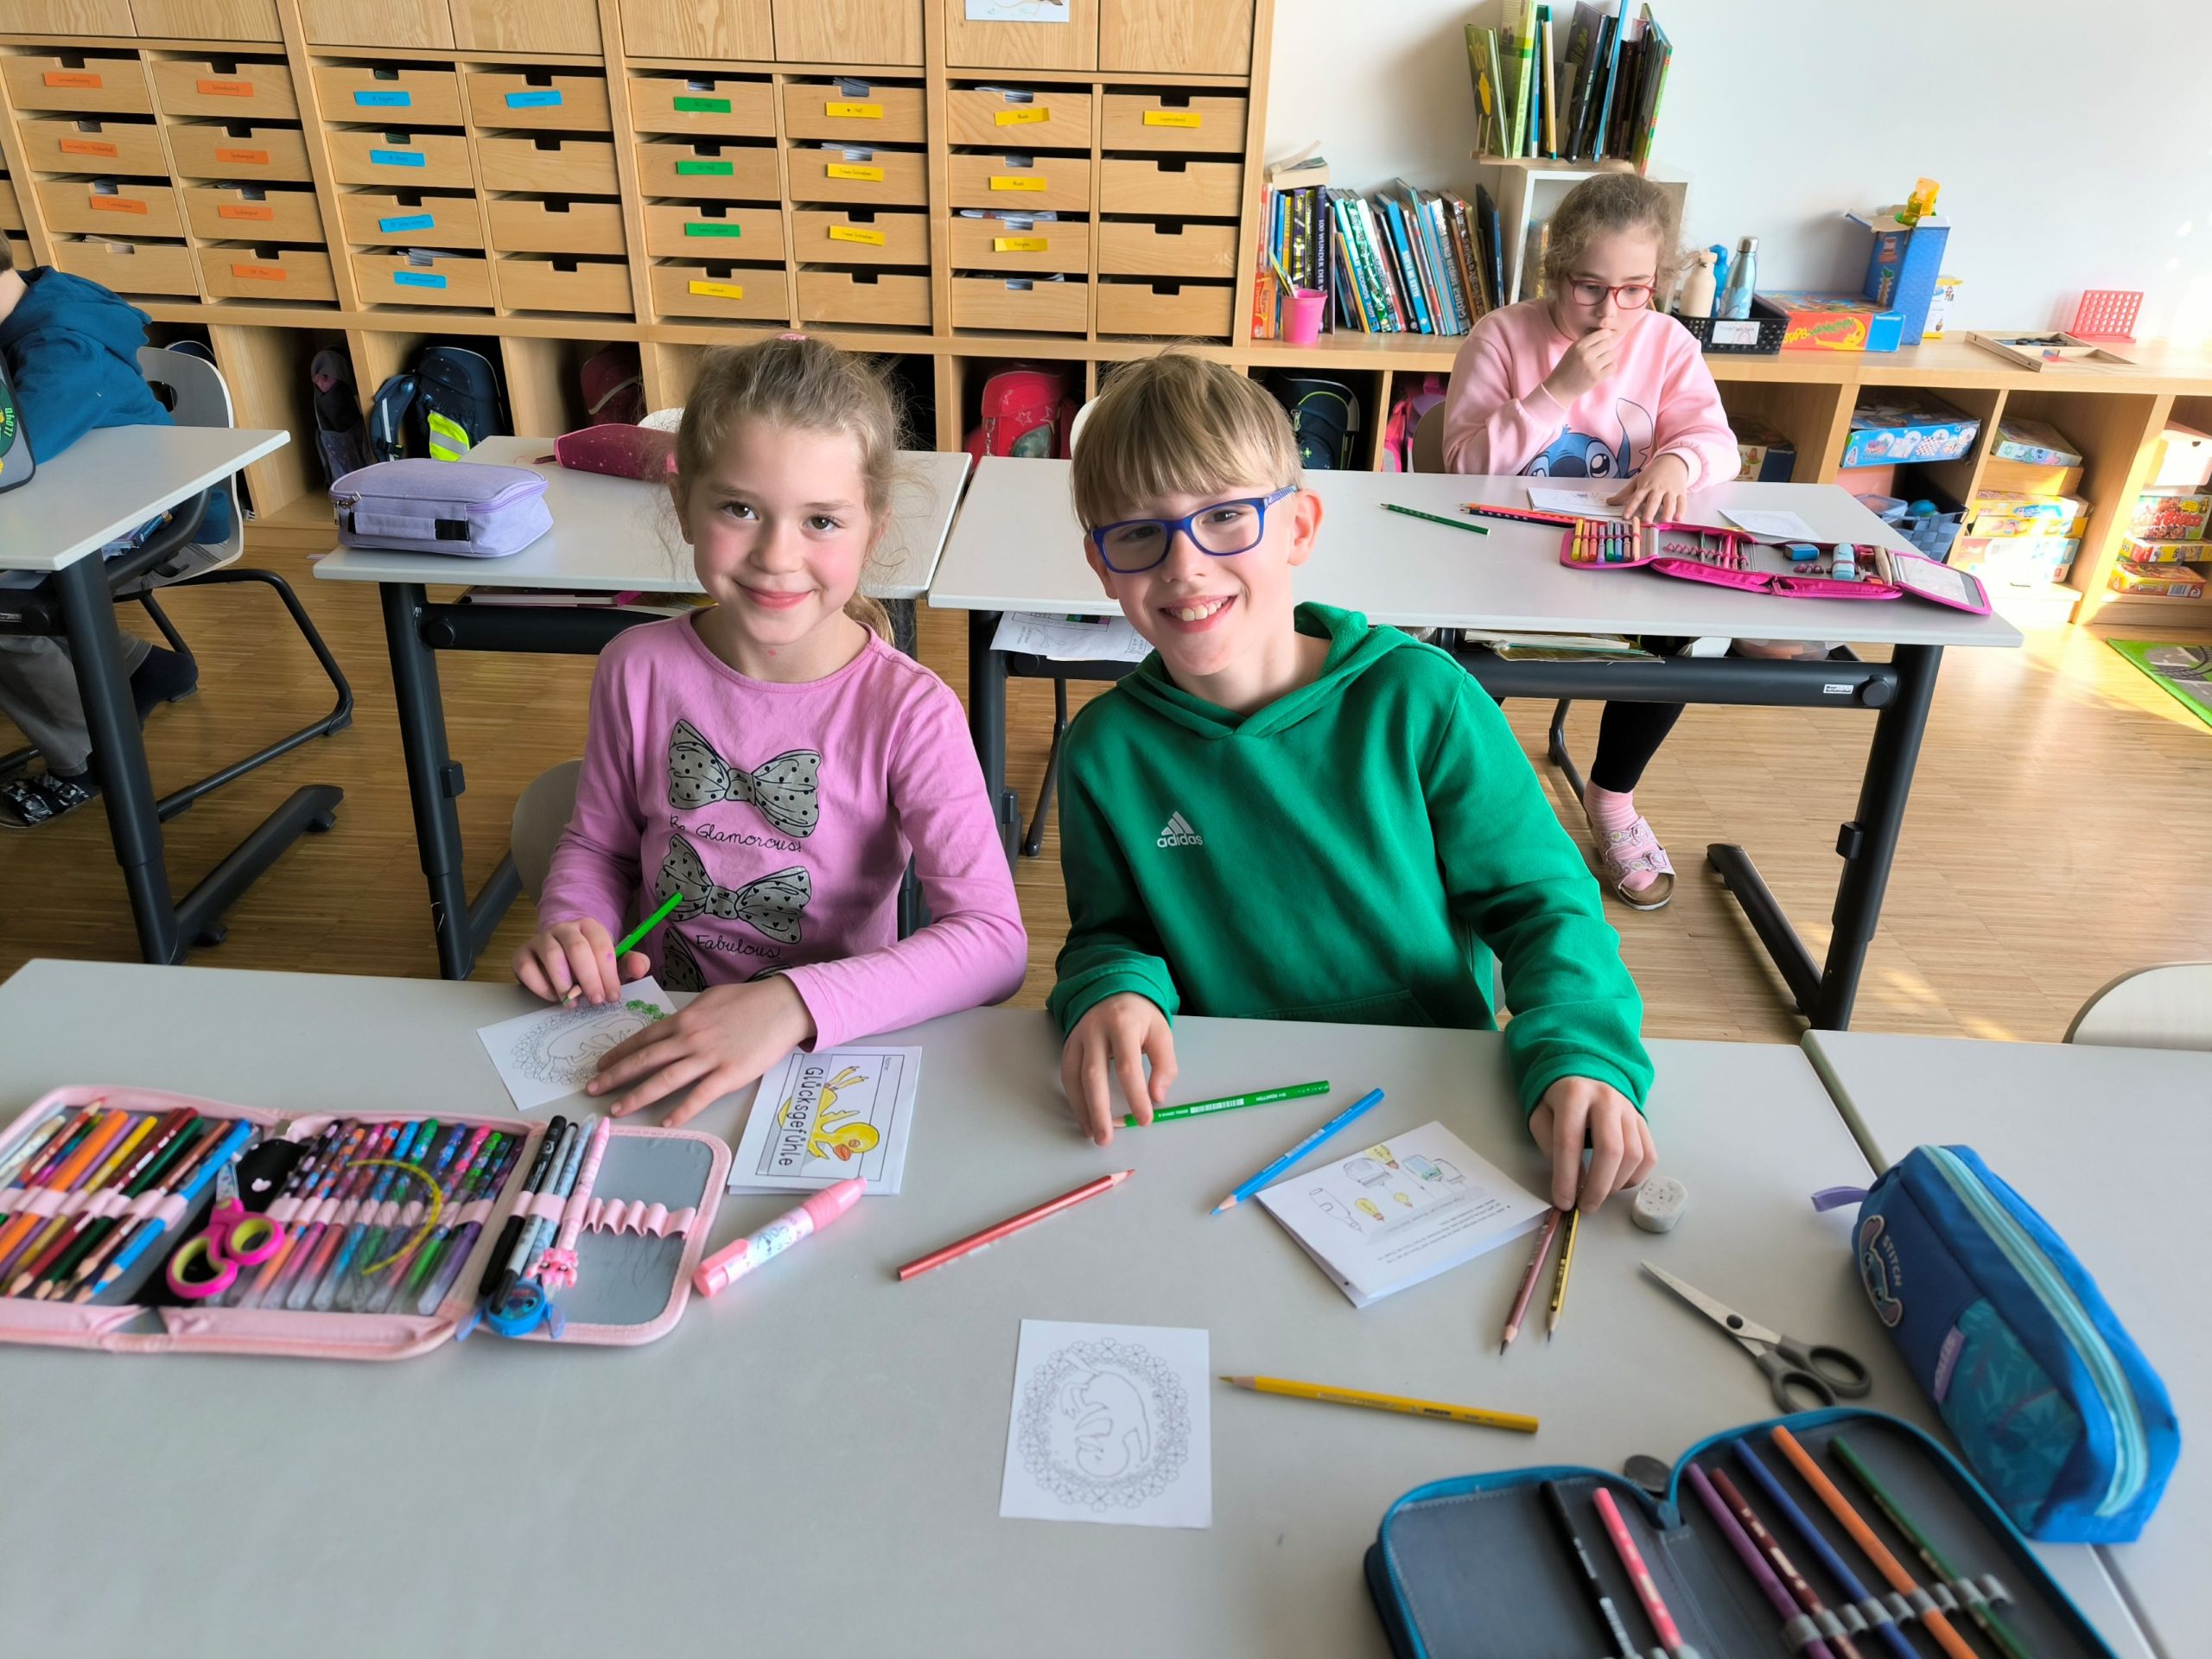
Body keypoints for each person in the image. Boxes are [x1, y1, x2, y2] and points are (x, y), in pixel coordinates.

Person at [1047, 351, 1655, 1213]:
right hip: (1224, 1115)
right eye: (1140, 534)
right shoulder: (1104, 749)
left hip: (1434, 1101)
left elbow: (1543, 903)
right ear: (1101, 564)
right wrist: (1113, 989)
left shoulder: (1420, 699)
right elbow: (1110, 933)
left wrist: (1581, 1049)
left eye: (1225, 517)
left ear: (1298, 527)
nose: (1184, 566)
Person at [518, 335, 1027, 1126]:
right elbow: (599, 848)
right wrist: (573, 927)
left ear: (873, 531)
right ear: (684, 505)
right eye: (740, 509)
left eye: (822, 520)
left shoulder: (911, 712)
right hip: (657, 1031)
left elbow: (994, 942)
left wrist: (792, 1004)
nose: (777, 556)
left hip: (825, 1049)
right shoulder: (635, 667)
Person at [1440, 173, 1739, 910]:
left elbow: (1717, 441)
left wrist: (1677, 461)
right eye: (1589, 288)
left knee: (1681, 638)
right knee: (1470, 668)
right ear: (1556, 269)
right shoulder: (1501, 336)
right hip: (1503, 563)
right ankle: (1474, 806)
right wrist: (1557, 392)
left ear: (1656, 282)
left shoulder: (1667, 342)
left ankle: (1612, 797)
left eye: (1634, 290)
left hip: (1618, 561)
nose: (1611, 311)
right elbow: (1464, 467)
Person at [0, 243, 204, 828]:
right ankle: (141, 668)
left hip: (150, 512)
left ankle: (88, 755)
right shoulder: (26, 307)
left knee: (4, 602)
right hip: (68, 492)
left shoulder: (61, 346)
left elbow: (13, 452)